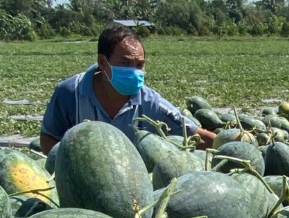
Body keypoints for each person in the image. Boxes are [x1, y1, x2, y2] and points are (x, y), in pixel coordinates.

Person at [40, 25, 213, 154]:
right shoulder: (70, 93)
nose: (134, 71)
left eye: (139, 64)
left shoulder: (149, 102)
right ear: (102, 62)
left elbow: (195, 135)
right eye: (125, 63)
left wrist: (235, 143)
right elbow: (49, 138)